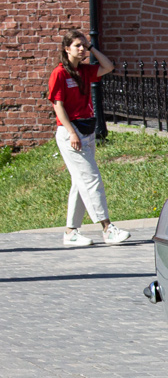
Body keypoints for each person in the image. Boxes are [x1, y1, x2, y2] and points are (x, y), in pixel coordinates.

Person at [48, 29, 131, 247]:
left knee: (80, 181)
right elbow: (58, 106)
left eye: (84, 45)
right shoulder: (59, 73)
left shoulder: (84, 70)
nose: (82, 49)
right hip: (71, 133)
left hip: (87, 129)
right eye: (78, 45)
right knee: (92, 179)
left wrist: (93, 47)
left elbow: (108, 67)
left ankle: (71, 232)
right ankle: (107, 228)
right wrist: (72, 133)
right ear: (66, 49)